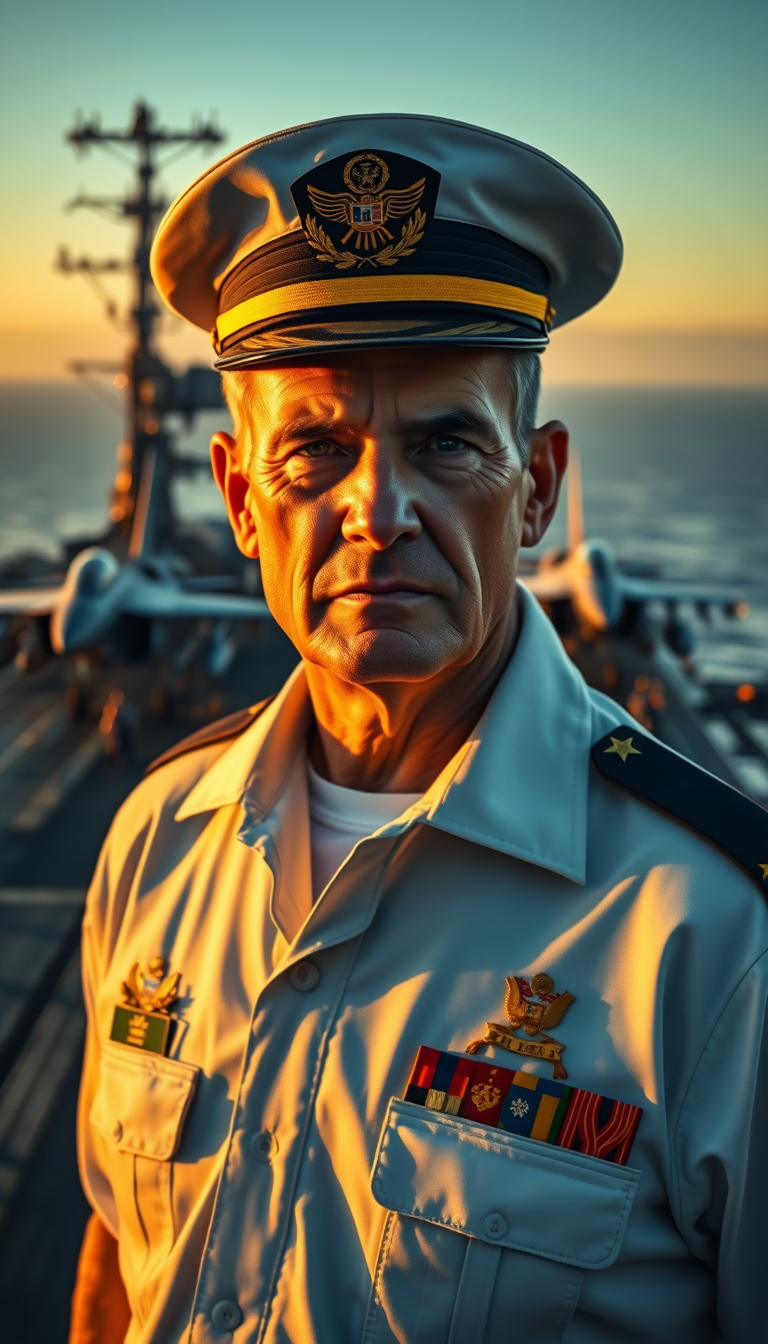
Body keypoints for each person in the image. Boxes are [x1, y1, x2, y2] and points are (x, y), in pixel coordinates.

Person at [69, 115, 768, 1344]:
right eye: (316, 451)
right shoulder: (156, 843)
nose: (377, 512)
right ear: (238, 496)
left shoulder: (717, 936)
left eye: (448, 443)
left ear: (538, 486)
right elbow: (122, 1263)